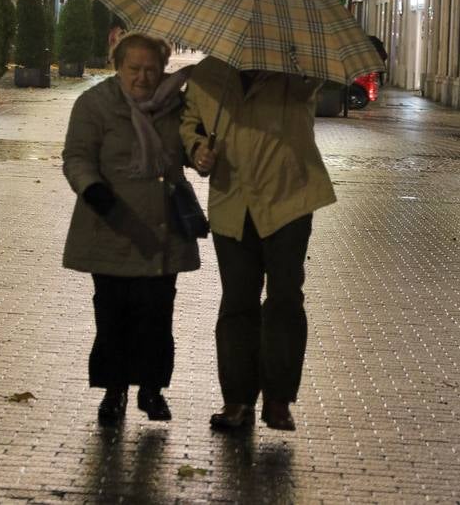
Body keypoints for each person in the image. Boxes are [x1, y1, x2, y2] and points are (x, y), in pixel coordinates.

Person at [180, 56, 336, 432]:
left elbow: (313, 86)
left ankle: (278, 399)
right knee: (237, 301)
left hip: (289, 197)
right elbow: (188, 124)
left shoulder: (295, 72)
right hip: (232, 200)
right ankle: (237, 399)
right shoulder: (207, 75)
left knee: (284, 296)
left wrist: (299, 66)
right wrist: (198, 148)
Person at [62, 32, 200, 425]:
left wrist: (201, 152)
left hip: (162, 228)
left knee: (157, 313)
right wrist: (95, 191)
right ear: (117, 66)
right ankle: (114, 389)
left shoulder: (177, 105)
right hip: (112, 223)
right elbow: (77, 156)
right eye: (133, 69)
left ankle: (152, 390)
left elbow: (189, 148)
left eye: (151, 70)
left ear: (162, 69)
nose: (142, 77)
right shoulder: (95, 104)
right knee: (113, 312)